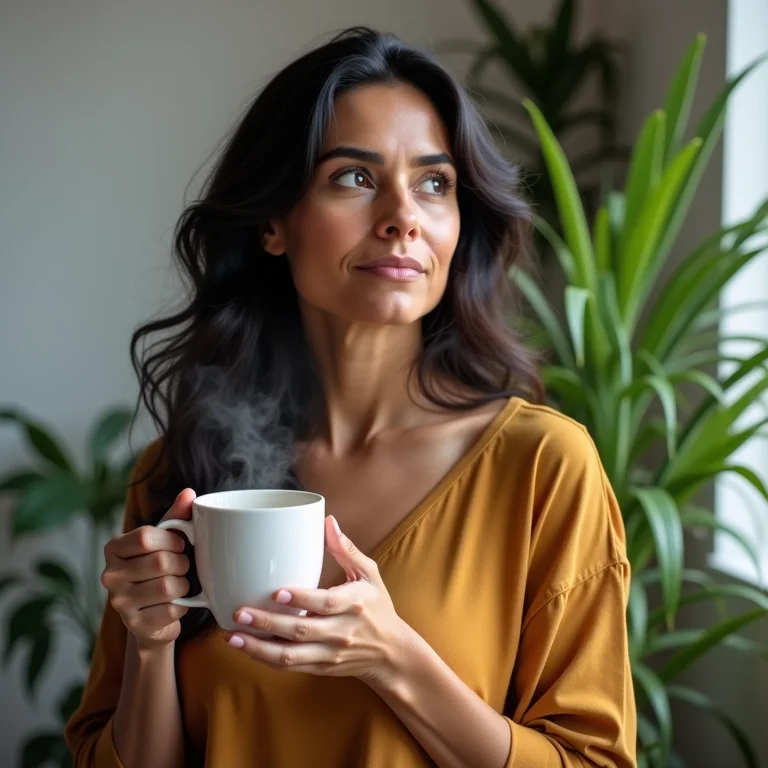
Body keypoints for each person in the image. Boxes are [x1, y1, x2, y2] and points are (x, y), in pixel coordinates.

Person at [65, 27, 636, 768]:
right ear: (273, 223)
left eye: (435, 183)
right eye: (354, 179)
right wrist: (150, 644)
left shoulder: (542, 467)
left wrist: (395, 660)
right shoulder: (179, 472)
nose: (403, 217)